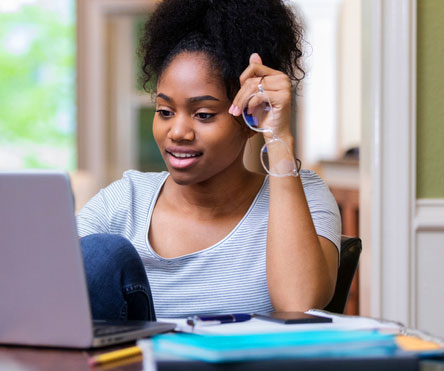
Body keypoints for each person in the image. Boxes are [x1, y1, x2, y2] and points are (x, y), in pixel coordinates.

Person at [76, 0, 341, 320]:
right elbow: (43, 278)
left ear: (248, 119)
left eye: (203, 114)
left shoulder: (304, 195)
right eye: (165, 111)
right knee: (98, 255)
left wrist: (278, 138)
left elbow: (298, 305)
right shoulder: (126, 201)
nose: (177, 132)